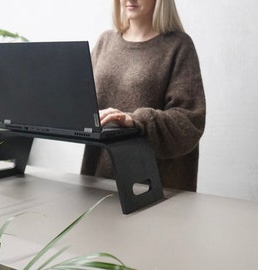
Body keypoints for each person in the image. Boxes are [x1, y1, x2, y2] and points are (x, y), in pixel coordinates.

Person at [81, 0, 206, 191]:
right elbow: (83, 105)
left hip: (153, 188)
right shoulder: (105, 42)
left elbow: (189, 122)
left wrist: (136, 120)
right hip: (99, 181)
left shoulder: (178, 45)